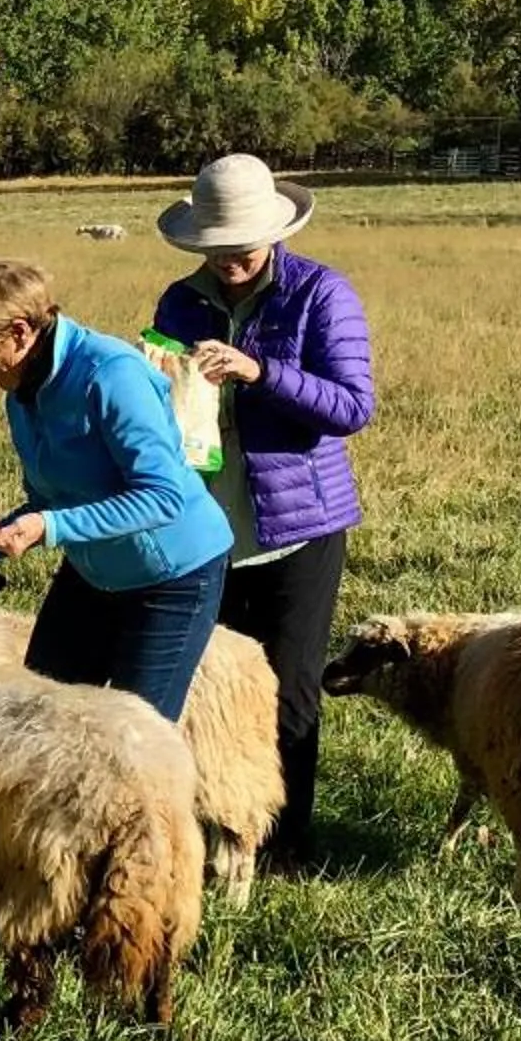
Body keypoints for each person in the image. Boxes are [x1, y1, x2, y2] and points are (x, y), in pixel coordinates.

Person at [153, 153, 376, 869]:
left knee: (288, 693)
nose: (227, 262)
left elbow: (353, 407)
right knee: (209, 686)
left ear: (273, 234)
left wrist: (260, 372)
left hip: (297, 532)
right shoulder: (179, 302)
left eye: (240, 249)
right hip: (207, 529)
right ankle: (211, 827)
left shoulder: (320, 294)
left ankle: (283, 842)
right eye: (212, 249)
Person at [0, 257, 230, 720]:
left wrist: (47, 526)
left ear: (18, 333)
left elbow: (163, 496)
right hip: (96, 570)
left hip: (172, 576)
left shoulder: (111, 374)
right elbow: (50, 501)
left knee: (132, 741)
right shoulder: (22, 393)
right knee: (40, 717)